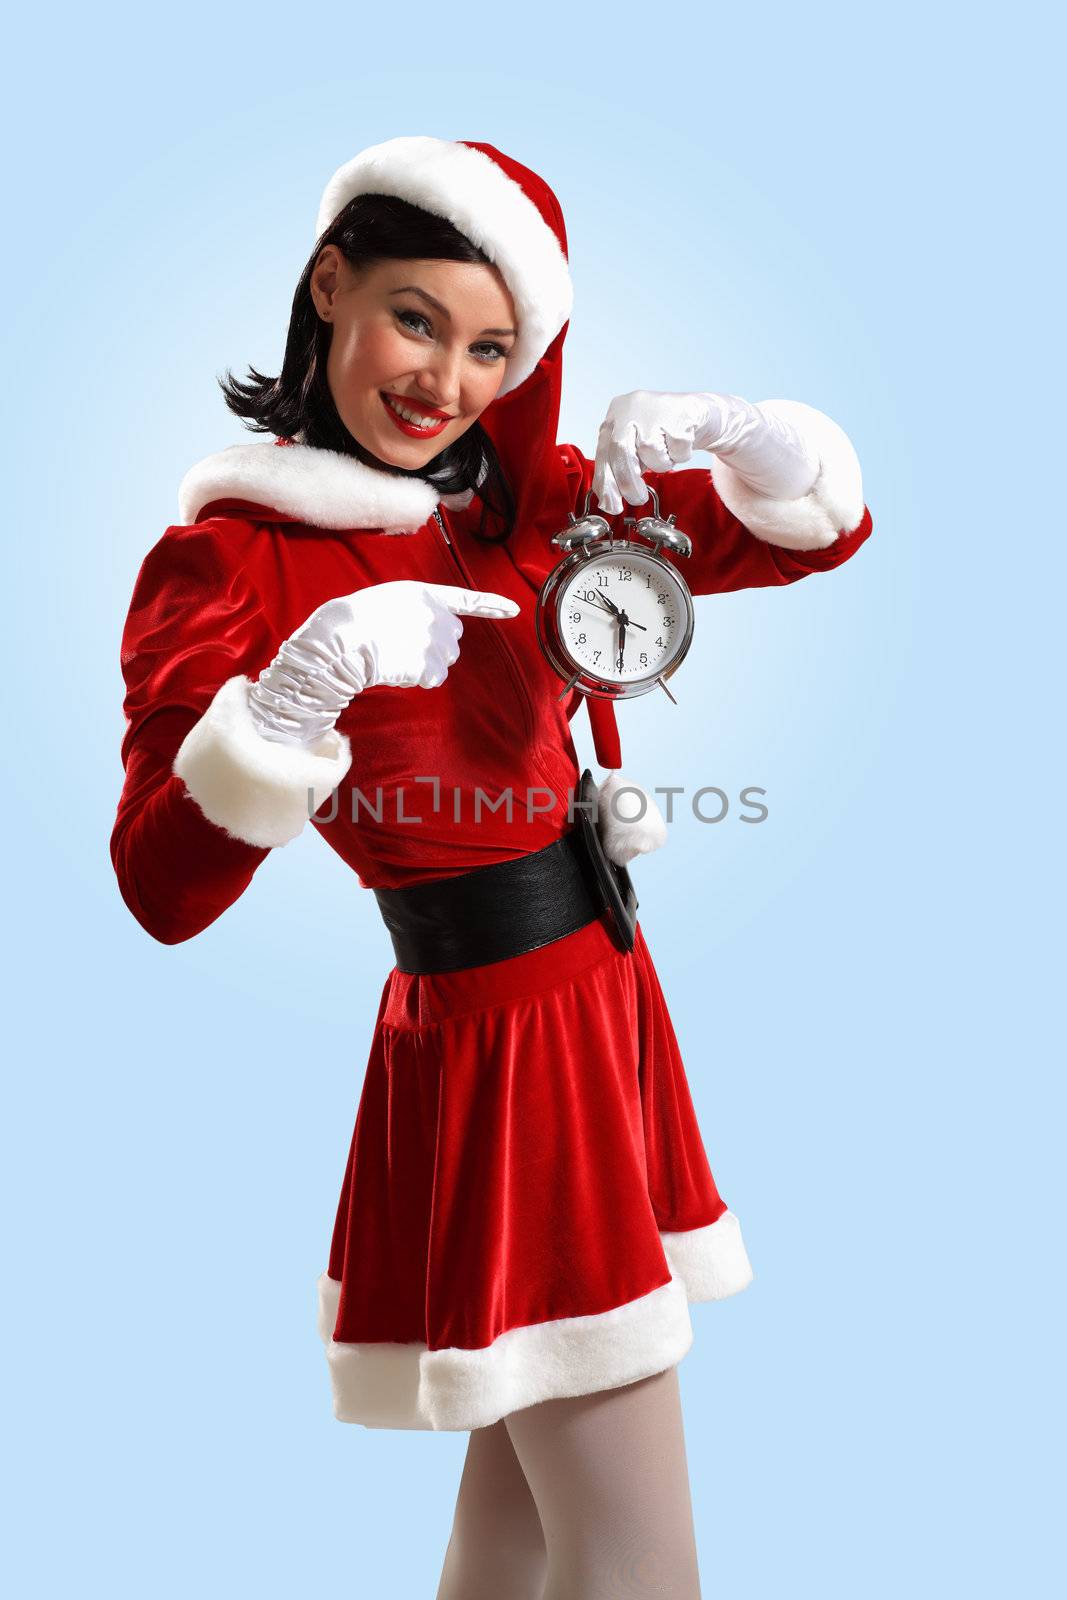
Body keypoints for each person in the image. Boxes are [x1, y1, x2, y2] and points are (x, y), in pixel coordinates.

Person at [111, 136, 873, 1600]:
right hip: (498, 1043)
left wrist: (750, 436)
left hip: (601, 1006)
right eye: (413, 318)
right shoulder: (231, 564)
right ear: (329, 286)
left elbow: (806, 539)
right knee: (641, 1554)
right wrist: (291, 702)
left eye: (490, 347)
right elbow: (159, 887)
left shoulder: (514, 509)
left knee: (516, 1531)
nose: (443, 380)